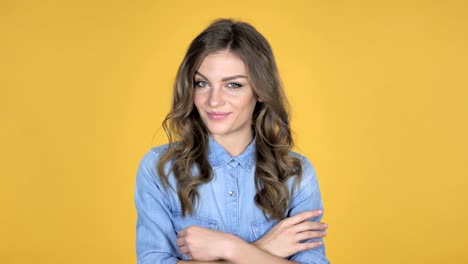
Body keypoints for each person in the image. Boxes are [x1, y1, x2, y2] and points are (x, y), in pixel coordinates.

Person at [134, 18, 329, 264]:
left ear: (259, 90)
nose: (214, 101)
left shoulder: (295, 174)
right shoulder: (159, 169)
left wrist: (231, 248)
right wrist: (263, 249)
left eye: (233, 85)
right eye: (202, 83)